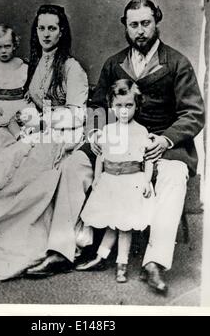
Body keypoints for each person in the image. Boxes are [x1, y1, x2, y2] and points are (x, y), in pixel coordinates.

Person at [27, 0, 205, 295]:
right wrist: (96, 135)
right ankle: (61, 250)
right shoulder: (114, 63)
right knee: (74, 165)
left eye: (146, 23)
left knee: (174, 175)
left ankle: (155, 262)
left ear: (156, 22)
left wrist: (164, 139)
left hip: (160, 143)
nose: (140, 31)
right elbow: (96, 107)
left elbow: (193, 113)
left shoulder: (176, 62)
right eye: (133, 24)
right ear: (126, 26)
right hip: (117, 139)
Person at [0, 4, 88, 285]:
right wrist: (24, 120)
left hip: (62, 134)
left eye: (52, 28)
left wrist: (43, 122)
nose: (46, 34)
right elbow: (31, 102)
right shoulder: (39, 62)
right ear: (35, 31)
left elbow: (78, 113)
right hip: (36, 130)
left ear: (62, 31)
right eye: (41, 28)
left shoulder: (72, 67)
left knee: (24, 168)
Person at [76, 79, 156, 284]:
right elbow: (102, 157)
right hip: (111, 181)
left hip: (131, 182)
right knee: (113, 222)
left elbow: (148, 160)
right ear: (111, 105)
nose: (123, 110)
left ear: (137, 106)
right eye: (118, 105)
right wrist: (97, 177)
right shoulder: (109, 130)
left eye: (129, 105)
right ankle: (100, 257)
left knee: (125, 225)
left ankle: (122, 263)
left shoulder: (140, 131)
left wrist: (147, 181)